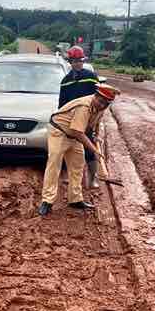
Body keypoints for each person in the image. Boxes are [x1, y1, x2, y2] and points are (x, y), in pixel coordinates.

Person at [38, 84, 120, 216]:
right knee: (54, 165)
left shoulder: (101, 108)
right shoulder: (84, 106)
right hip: (59, 132)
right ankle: (47, 201)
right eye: (100, 101)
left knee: (78, 165)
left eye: (105, 103)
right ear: (95, 96)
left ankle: (75, 199)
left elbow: (95, 124)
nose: (101, 105)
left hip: (74, 135)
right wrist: (94, 150)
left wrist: (96, 136)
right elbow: (78, 133)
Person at [59, 46, 101, 188]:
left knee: (89, 148)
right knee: (69, 148)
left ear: (83, 60)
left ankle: (93, 178)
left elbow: (99, 98)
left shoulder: (91, 77)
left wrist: (95, 121)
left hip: (87, 119)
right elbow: (62, 105)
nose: (78, 63)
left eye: (80, 60)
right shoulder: (66, 81)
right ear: (70, 62)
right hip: (71, 120)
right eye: (75, 61)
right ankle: (71, 176)